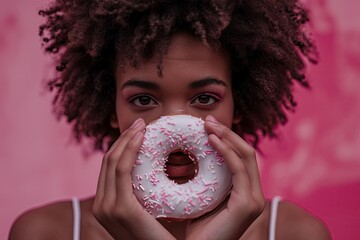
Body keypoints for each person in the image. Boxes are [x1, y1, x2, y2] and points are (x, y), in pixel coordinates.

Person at [9, 0, 331, 239]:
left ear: (239, 104)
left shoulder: (296, 233)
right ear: (111, 108)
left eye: (205, 98)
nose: (175, 123)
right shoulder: (44, 233)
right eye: (144, 100)